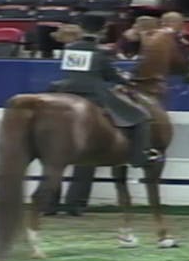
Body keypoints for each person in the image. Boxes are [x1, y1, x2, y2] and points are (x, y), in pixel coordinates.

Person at [50, 12, 163, 168]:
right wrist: (126, 79)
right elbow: (110, 76)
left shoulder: (69, 48)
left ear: (81, 29)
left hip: (65, 89)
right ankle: (139, 157)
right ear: (103, 30)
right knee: (141, 117)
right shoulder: (101, 51)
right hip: (93, 92)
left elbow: (76, 70)